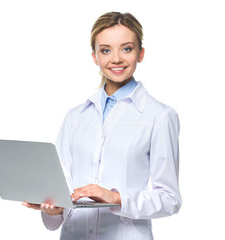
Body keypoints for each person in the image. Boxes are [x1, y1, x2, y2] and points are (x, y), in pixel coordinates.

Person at [23, 11, 181, 239]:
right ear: (95, 57)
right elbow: (61, 187)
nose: (116, 58)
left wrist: (116, 198)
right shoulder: (75, 117)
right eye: (106, 50)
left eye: (126, 48)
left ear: (141, 54)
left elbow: (170, 199)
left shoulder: (160, 116)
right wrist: (54, 208)